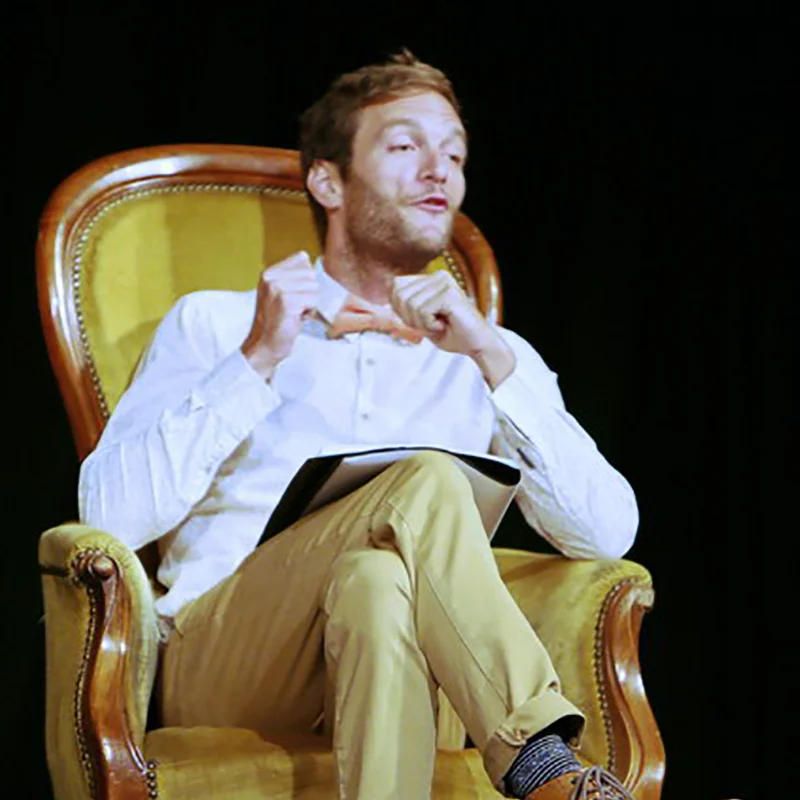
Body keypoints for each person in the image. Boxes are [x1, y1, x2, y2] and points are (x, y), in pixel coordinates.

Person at [79, 50, 639, 800]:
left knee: (375, 583)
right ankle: (537, 760)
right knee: (430, 477)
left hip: (416, 668)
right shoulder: (220, 323)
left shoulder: (486, 355)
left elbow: (608, 534)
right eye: (407, 146)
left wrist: (489, 355)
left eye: (454, 154)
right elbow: (107, 515)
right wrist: (255, 360)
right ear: (328, 180)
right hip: (232, 663)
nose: (439, 170)